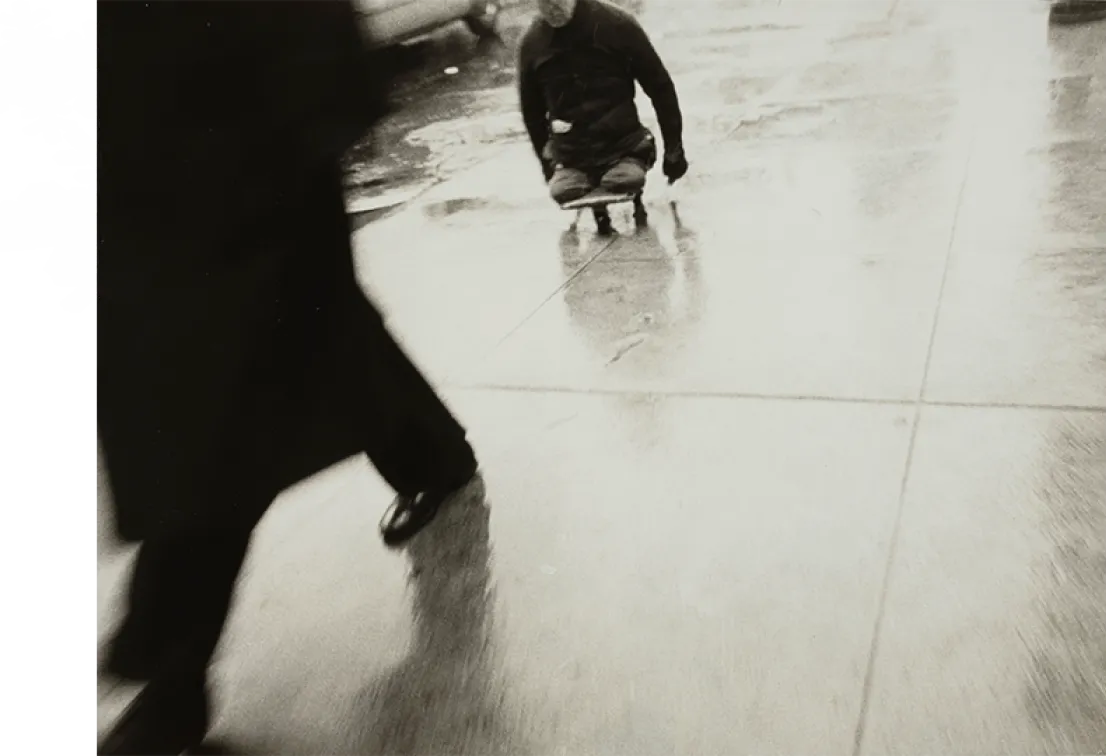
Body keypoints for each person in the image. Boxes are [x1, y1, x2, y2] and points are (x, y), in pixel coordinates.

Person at [96, 1, 477, 753]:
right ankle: (433, 454)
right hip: (145, 186)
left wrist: (283, 142)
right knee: (319, 348)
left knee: (213, 427)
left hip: (234, 172)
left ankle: (174, 678)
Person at [517, 0, 689, 208]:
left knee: (623, 180)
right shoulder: (533, 43)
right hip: (572, 154)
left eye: (557, 2)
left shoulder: (617, 25)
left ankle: (629, 163)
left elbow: (659, 87)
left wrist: (674, 150)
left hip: (624, 145)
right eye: (544, 4)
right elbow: (531, 112)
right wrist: (548, 167)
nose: (552, 10)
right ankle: (579, 175)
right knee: (561, 191)